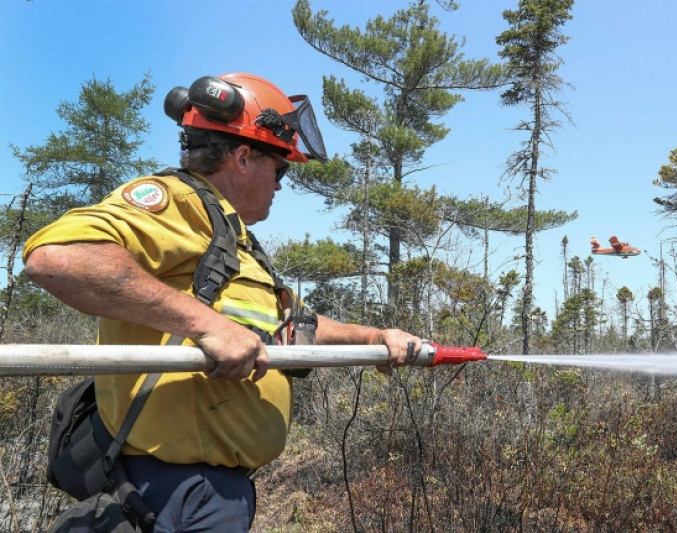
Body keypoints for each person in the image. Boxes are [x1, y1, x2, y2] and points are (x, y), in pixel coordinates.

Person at [23, 72, 422, 531]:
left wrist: (375, 337)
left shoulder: (233, 238)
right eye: (281, 167)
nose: (280, 184)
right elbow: (58, 258)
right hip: (168, 491)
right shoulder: (178, 201)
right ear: (244, 157)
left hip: (210, 493)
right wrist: (208, 325)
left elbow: (289, 327)